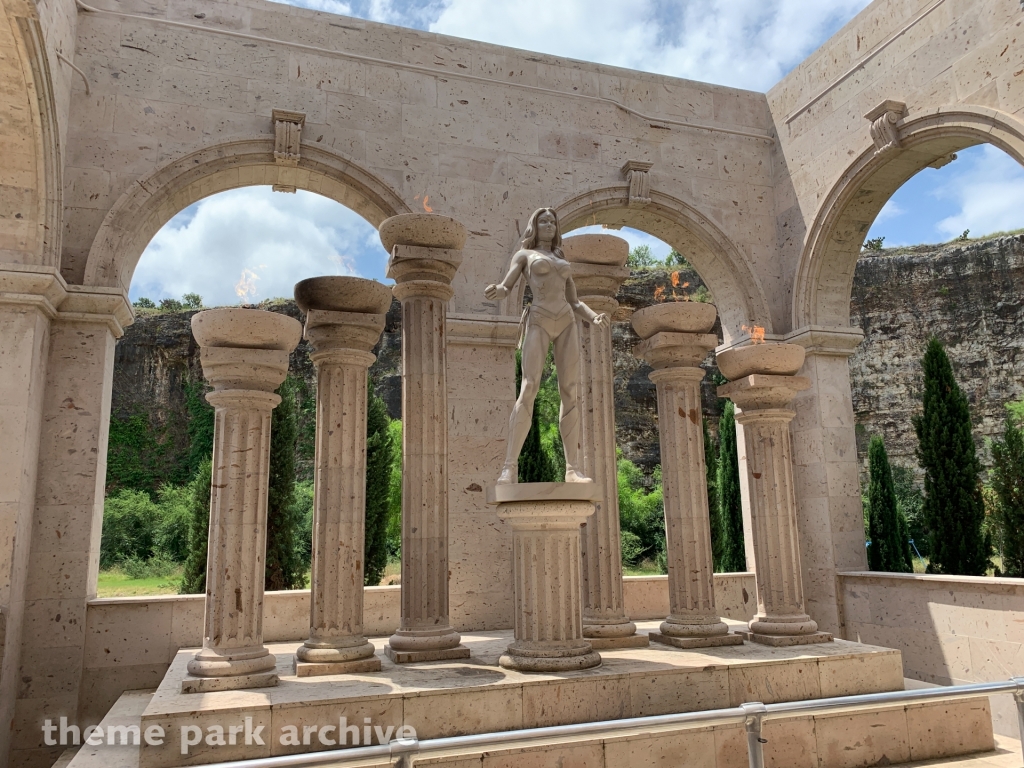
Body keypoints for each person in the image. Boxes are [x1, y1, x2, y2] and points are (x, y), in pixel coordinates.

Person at [484, 207, 608, 485]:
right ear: (535, 226)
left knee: (570, 391)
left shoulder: (561, 257)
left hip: (566, 320)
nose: (549, 224)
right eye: (543, 221)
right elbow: (508, 285)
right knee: (529, 387)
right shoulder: (524, 255)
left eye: (552, 221)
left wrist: (592, 316)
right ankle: (509, 467)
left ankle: (572, 468)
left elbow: (574, 301)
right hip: (539, 318)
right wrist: (499, 290)